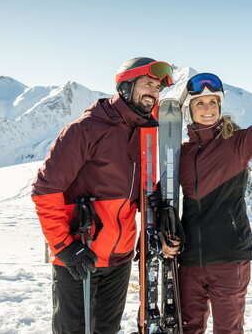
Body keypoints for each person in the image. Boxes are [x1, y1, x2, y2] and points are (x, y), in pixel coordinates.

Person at [31, 57, 174, 334]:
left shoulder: (145, 132)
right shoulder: (85, 130)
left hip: (119, 260)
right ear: (125, 87)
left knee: (107, 330)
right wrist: (64, 247)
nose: (153, 92)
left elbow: (135, 188)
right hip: (80, 256)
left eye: (157, 88)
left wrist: (152, 202)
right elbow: (45, 190)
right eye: (147, 84)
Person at [176, 66, 252, 334]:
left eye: (213, 102)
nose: (208, 108)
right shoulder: (180, 153)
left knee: (228, 330)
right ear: (189, 109)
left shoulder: (236, 143)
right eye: (200, 103)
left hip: (229, 257)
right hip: (189, 260)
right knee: (188, 328)